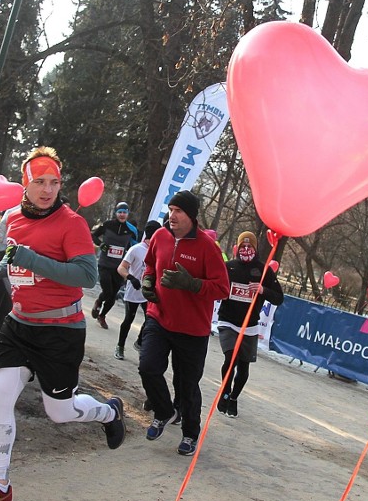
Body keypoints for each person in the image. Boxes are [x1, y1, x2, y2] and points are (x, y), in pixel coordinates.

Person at [0, 147, 126, 501]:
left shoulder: (72, 223)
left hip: (60, 332)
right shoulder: (11, 218)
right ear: (24, 183)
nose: (47, 190)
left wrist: (28, 258)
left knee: (59, 413)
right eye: (39, 182)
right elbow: (9, 261)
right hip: (18, 325)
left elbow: (86, 275)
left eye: (54, 182)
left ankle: (109, 412)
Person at [138, 190, 229, 456]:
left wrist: (192, 284)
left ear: (191, 215)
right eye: (170, 209)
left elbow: (223, 288)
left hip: (192, 329)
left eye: (178, 211)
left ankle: (190, 433)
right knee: (147, 367)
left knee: (186, 385)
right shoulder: (160, 236)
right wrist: (147, 282)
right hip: (159, 317)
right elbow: (149, 265)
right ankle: (164, 411)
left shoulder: (206, 247)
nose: (171, 215)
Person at [216, 230, 284, 418]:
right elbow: (216, 288)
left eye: (250, 246)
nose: (246, 249)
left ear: (255, 248)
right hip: (228, 320)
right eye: (243, 246)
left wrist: (263, 290)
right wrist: (222, 291)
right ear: (238, 247)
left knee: (243, 368)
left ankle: (234, 398)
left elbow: (279, 298)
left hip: (250, 325)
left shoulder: (264, 271)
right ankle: (225, 392)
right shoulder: (228, 267)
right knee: (230, 359)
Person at [115, 219, 161, 360]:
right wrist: (131, 278)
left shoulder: (158, 251)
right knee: (129, 318)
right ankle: (120, 346)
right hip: (134, 290)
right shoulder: (136, 249)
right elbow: (121, 267)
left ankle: (140, 342)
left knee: (151, 319)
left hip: (148, 291)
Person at [90, 201, 138, 329]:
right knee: (107, 291)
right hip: (105, 264)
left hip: (119, 267)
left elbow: (135, 247)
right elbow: (93, 235)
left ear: (128, 214)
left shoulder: (131, 230)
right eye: (120, 212)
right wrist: (102, 245)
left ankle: (102, 316)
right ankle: (99, 302)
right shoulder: (107, 225)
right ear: (116, 213)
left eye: (125, 212)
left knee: (113, 296)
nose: (122, 214)